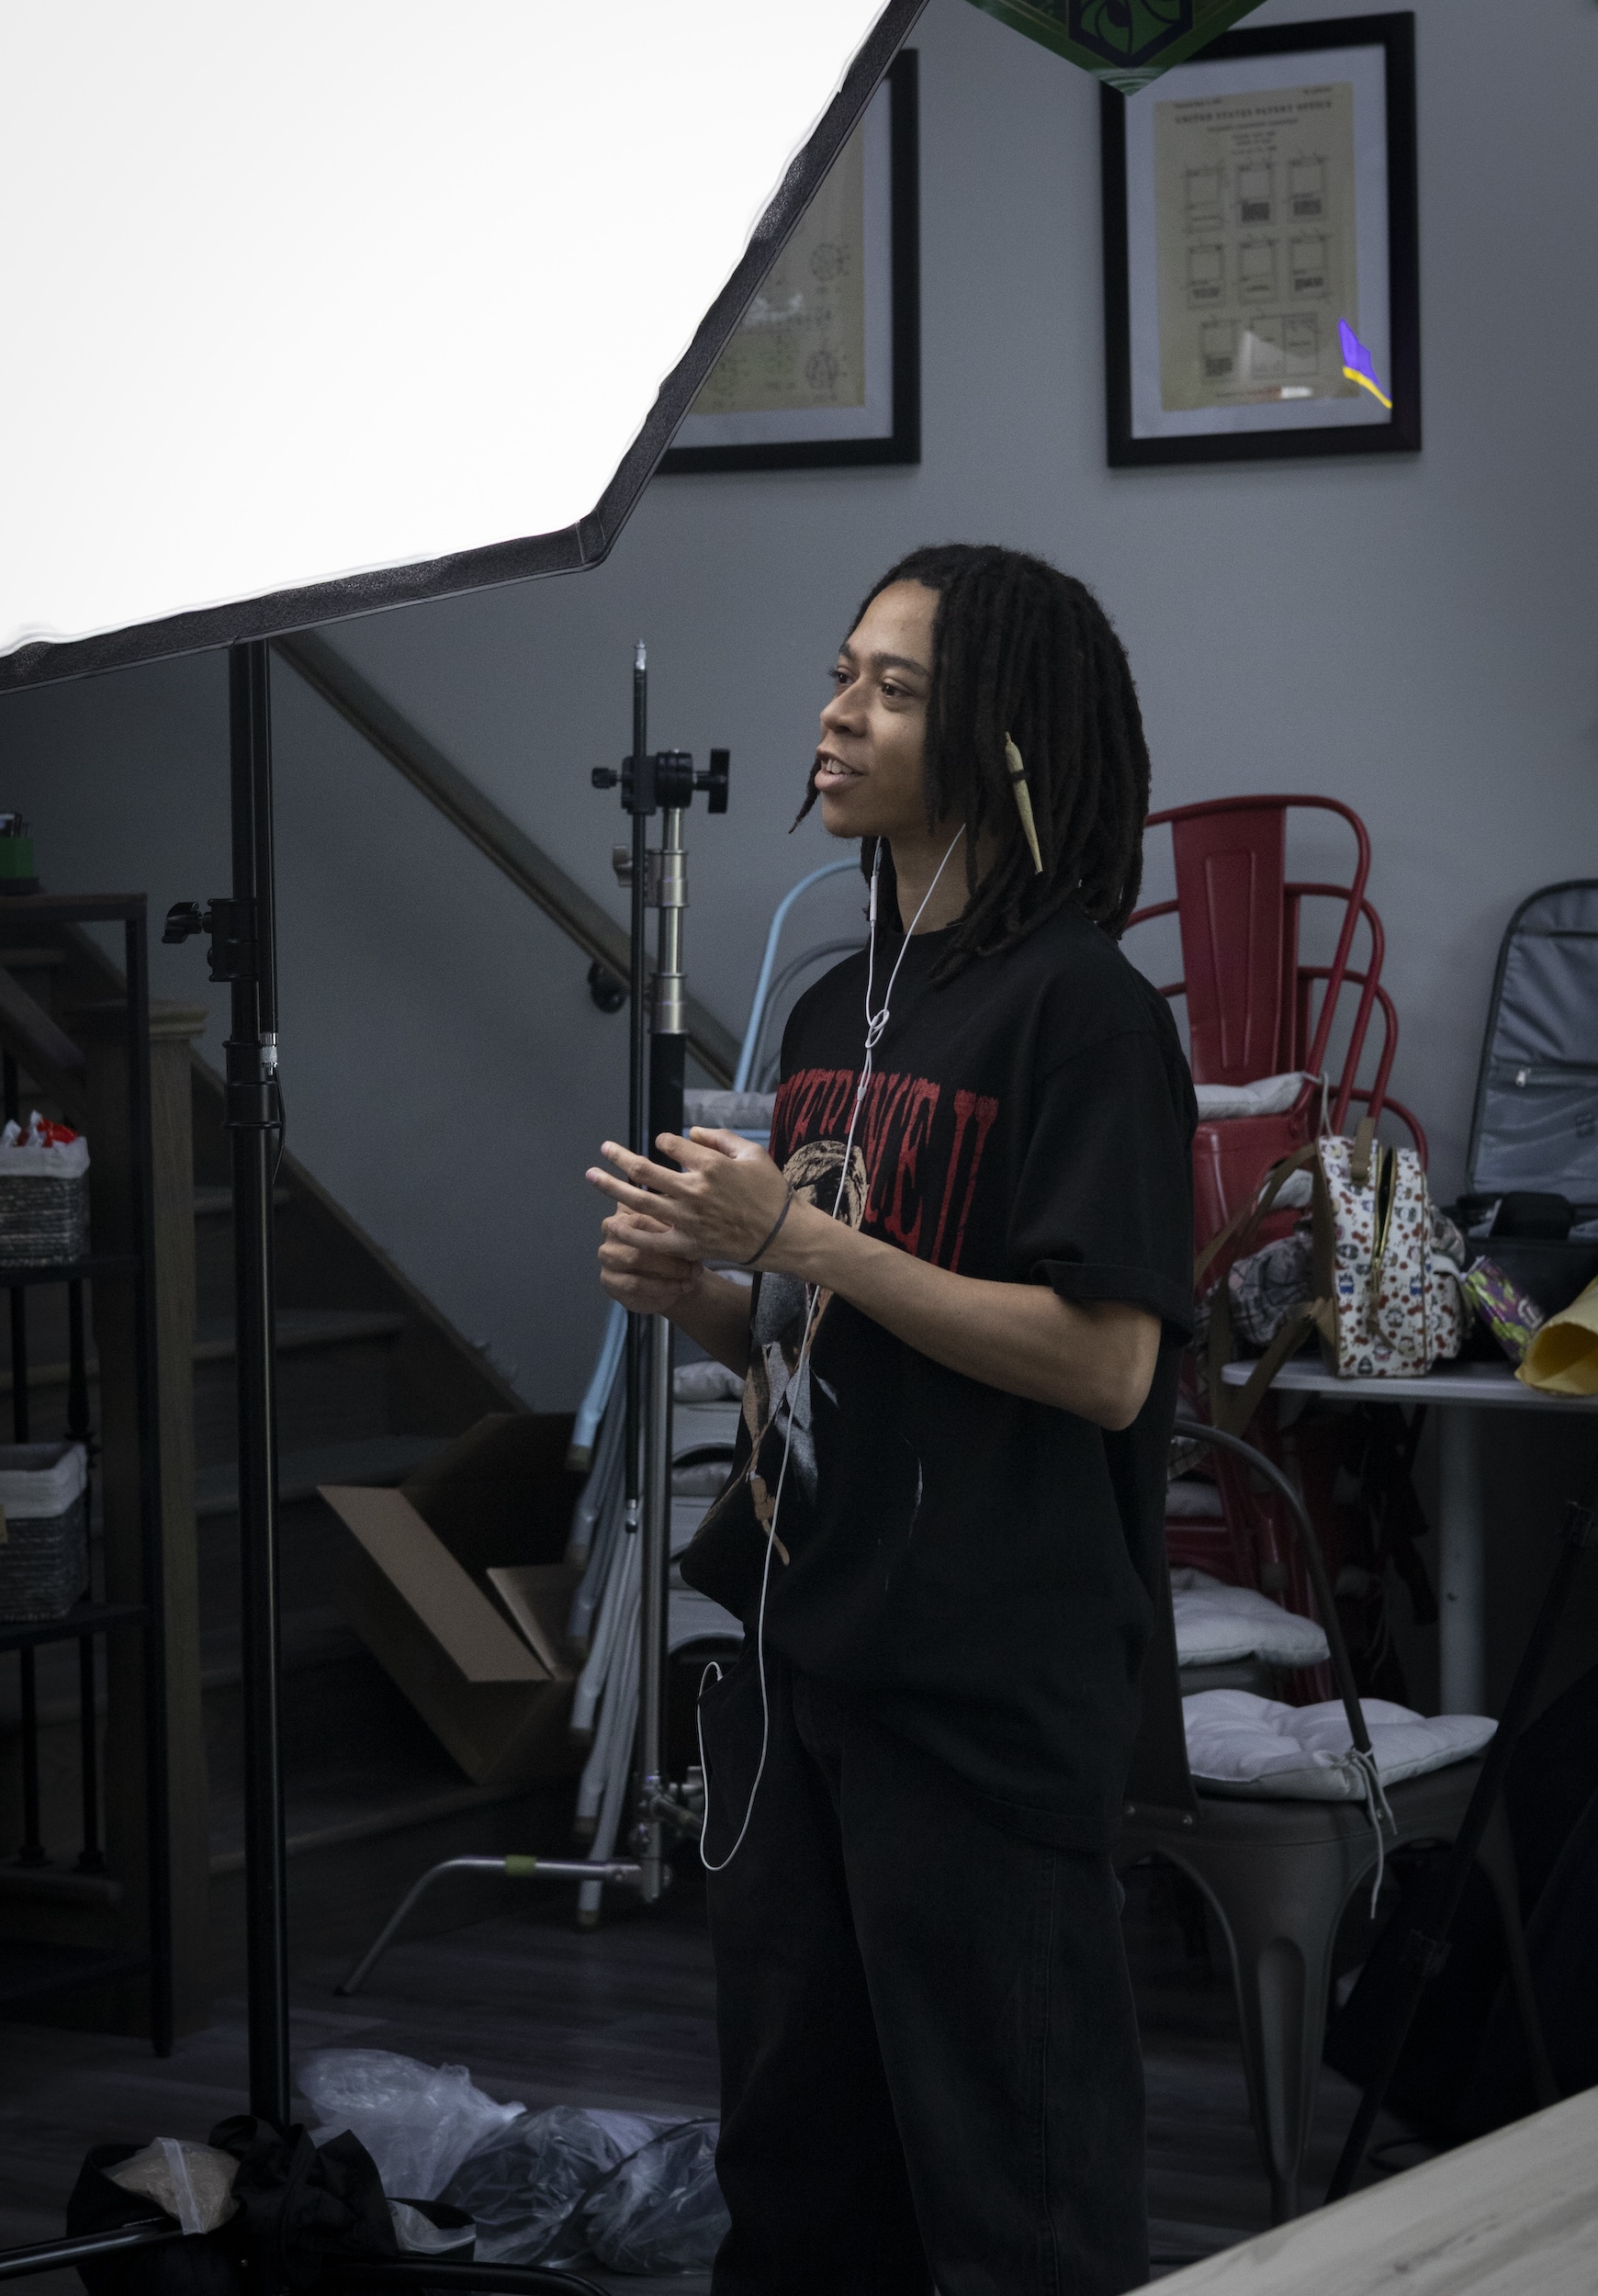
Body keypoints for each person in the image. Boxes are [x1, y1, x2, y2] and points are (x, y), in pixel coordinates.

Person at [587, 544, 1196, 2295]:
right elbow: (824, 1341)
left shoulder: (1083, 1012)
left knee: (1016, 2204)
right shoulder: (829, 1009)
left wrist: (797, 1237)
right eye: (844, 671)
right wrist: (707, 1298)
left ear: (1004, 734)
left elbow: (1105, 1365)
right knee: (801, 2187)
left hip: (985, 1687)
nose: (839, 713)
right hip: (806, 1659)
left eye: (896, 687)